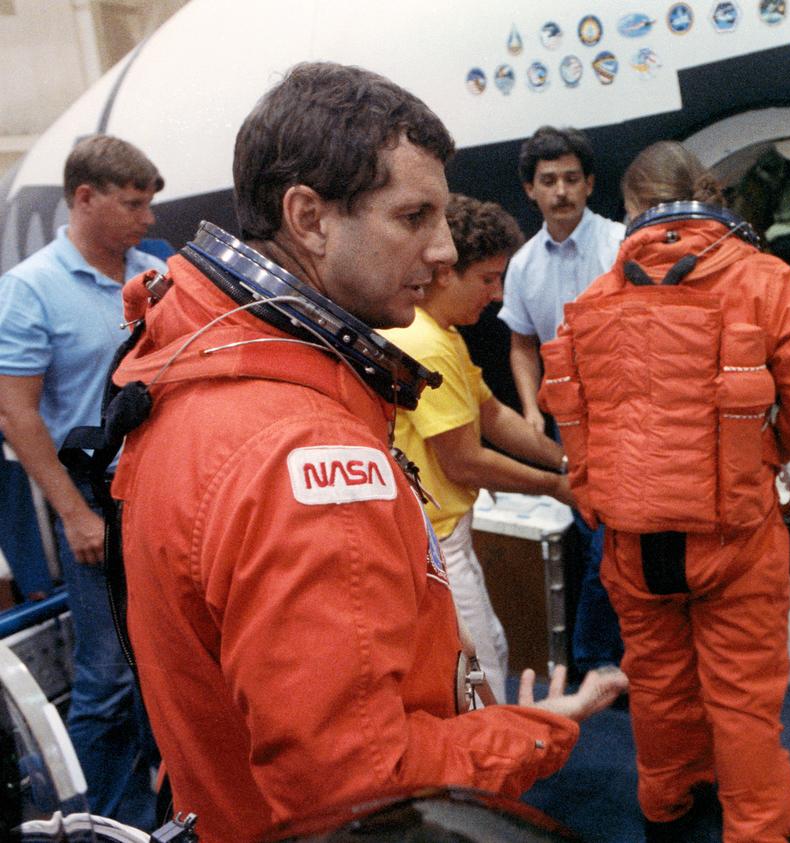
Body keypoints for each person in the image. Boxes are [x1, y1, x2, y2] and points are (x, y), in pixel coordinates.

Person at [105, 62, 625, 843]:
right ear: (309, 217)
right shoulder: (303, 459)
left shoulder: (191, 367)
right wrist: (527, 733)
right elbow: (361, 792)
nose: (445, 250)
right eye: (413, 216)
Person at [538, 140, 790, 842]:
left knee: (661, 686)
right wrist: (760, 454)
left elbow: (577, 413)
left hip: (633, 541)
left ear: (633, 209)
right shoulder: (767, 281)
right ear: (713, 198)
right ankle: (757, 829)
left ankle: (668, 809)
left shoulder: (594, 299)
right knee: (743, 702)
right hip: (734, 534)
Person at [0, 134, 164, 828]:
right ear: (85, 198)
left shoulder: (156, 273)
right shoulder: (31, 288)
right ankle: (102, 820)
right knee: (106, 675)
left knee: (162, 665)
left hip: (159, 496)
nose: (147, 218)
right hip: (95, 502)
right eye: (133, 203)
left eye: (149, 203)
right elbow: (16, 411)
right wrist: (74, 514)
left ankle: (164, 806)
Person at [380, 194, 574, 705]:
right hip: (435, 547)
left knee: (490, 659)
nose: (496, 294)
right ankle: (489, 783)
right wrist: (560, 487)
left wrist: (570, 462)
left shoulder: (443, 335)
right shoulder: (423, 343)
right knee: (479, 680)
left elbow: (494, 415)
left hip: (452, 535)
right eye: (488, 279)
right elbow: (464, 459)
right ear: (445, 274)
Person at [499, 125, 625, 676]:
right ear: (530, 189)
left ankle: (597, 660)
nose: (561, 191)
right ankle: (606, 663)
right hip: (568, 427)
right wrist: (530, 410)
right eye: (548, 180)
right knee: (596, 539)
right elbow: (521, 343)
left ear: (590, 183)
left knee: (612, 547)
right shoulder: (524, 264)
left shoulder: (621, 245)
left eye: (572, 178)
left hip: (629, 419)